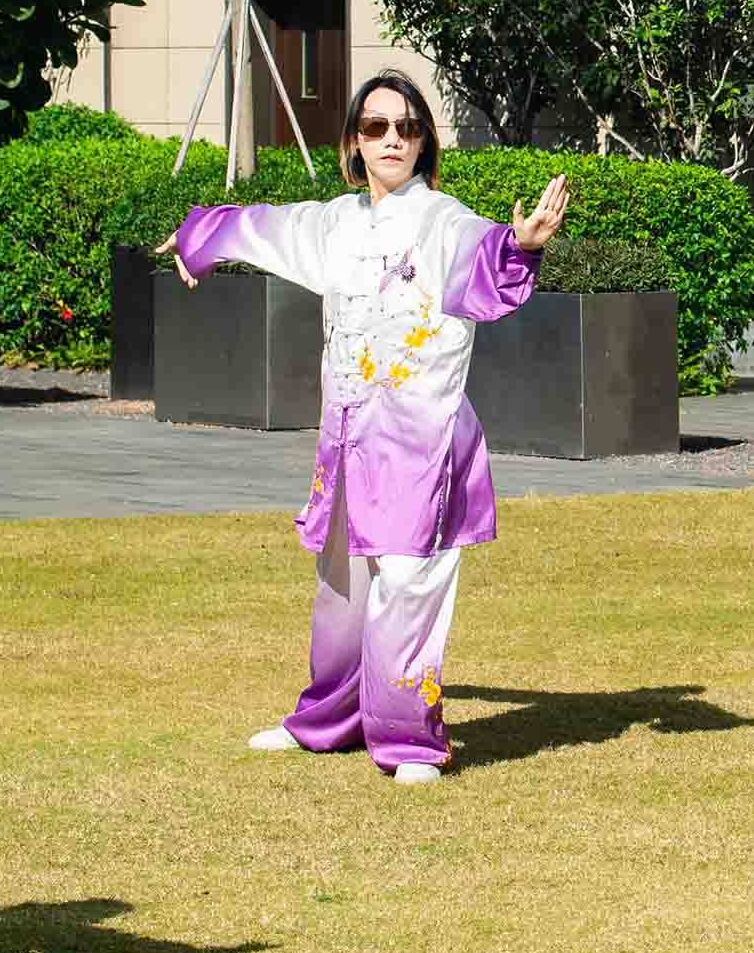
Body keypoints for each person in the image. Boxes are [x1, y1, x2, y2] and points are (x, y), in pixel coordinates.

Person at [166, 72, 567, 782]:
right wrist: (200, 238)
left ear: (423, 141)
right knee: (342, 589)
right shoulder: (336, 223)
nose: (392, 139)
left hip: (422, 440)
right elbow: (261, 227)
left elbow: (488, 256)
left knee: (408, 582)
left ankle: (409, 739)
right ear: (354, 140)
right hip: (349, 434)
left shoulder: (443, 219)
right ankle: (327, 719)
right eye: (377, 126)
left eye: (406, 127)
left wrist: (523, 245)